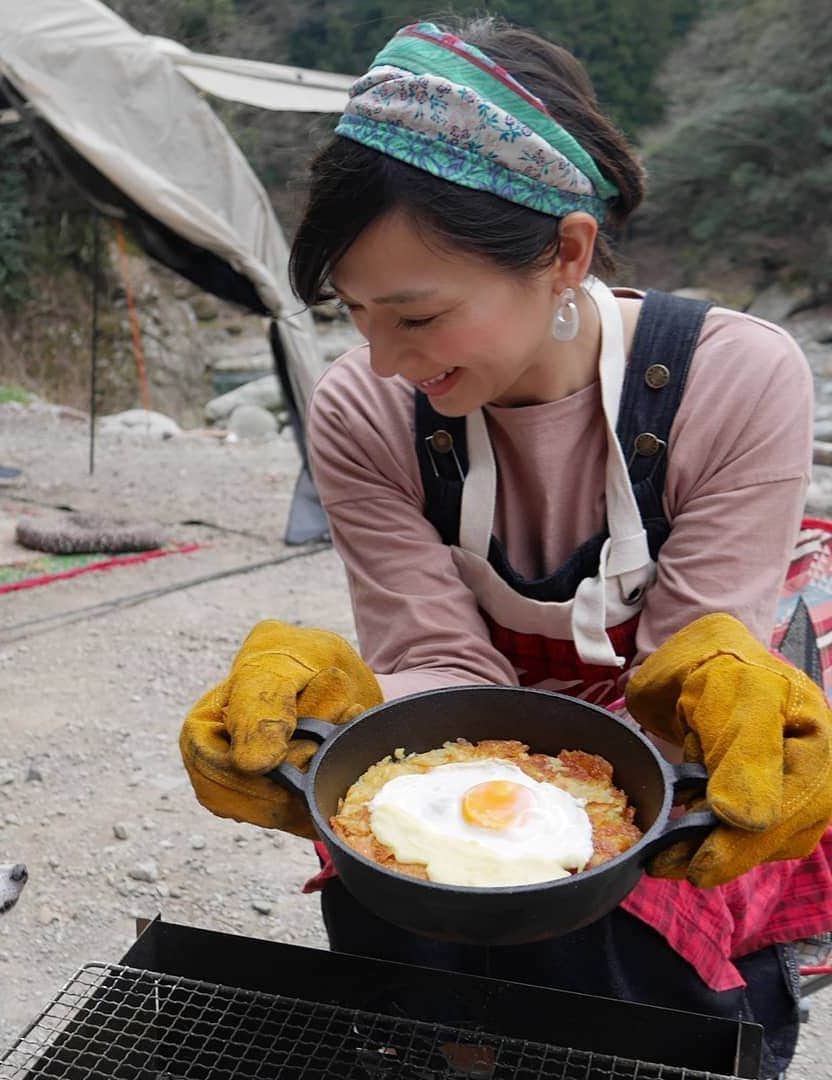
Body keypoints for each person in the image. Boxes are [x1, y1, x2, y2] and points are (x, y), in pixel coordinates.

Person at [179, 16, 832, 1077]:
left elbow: (683, 683)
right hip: (474, 717)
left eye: (418, 316)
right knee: (389, 886)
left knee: (643, 928)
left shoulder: (740, 380)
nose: (385, 363)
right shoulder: (365, 409)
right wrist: (340, 704)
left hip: (684, 708)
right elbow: (441, 666)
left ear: (566, 251)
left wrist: (562, 800)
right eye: (356, 316)